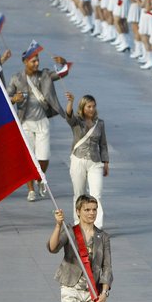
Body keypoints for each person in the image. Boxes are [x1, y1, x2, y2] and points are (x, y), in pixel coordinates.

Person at [6, 45, 68, 201]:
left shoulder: (45, 75)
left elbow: (63, 73)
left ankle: (40, 179)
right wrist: (14, 99)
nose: (36, 64)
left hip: (42, 122)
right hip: (25, 122)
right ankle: (31, 189)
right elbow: (5, 97)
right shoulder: (16, 78)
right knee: (30, 157)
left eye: (37, 60)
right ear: (25, 62)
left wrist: (64, 62)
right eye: (33, 61)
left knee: (44, 157)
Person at [64, 92, 109, 229]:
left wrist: (106, 162)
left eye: (93, 106)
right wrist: (70, 102)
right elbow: (69, 116)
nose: (92, 109)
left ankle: (97, 226)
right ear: (83, 107)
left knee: (96, 194)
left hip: (95, 162)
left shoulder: (99, 123)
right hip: (78, 160)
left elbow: (103, 144)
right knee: (79, 194)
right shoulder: (77, 121)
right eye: (89, 106)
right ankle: (79, 224)